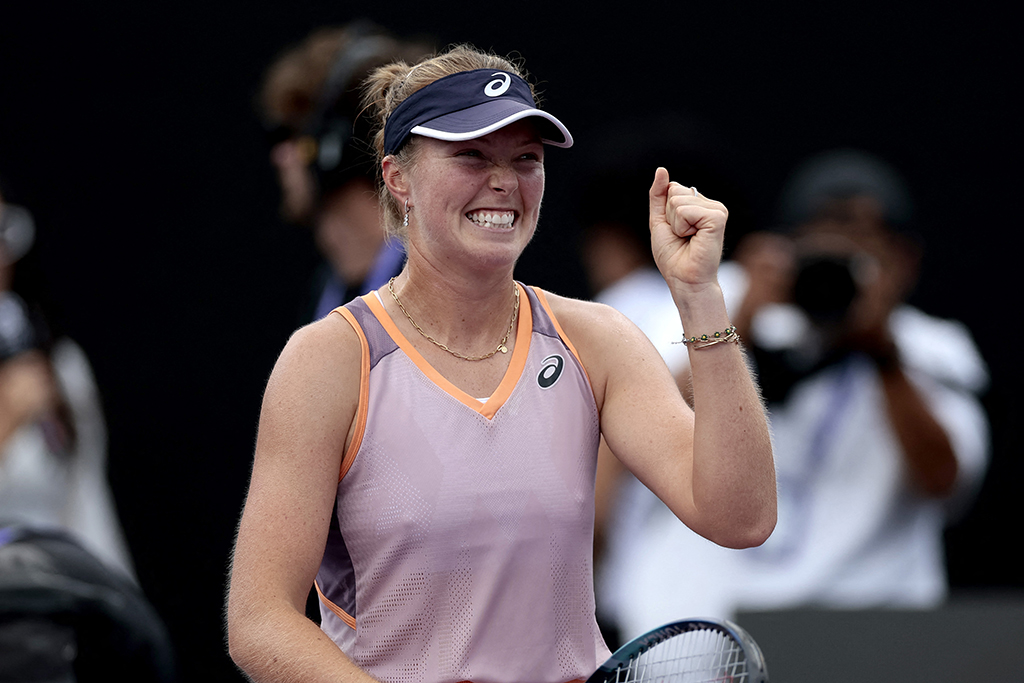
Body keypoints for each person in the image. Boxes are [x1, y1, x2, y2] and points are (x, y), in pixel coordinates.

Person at [226, 44, 776, 683]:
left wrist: (700, 299)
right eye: (470, 155)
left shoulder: (596, 342)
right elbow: (259, 622)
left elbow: (742, 516)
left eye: (526, 160)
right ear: (397, 178)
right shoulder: (327, 360)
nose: (504, 181)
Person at [602, 149, 990, 636]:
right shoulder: (703, 308)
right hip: (699, 630)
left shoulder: (930, 350)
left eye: (857, 254)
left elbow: (945, 480)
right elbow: (644, 429)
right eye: (817, 252)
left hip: (865, 635)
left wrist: (883, 355)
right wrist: (734, 327)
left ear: (902, 263)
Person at [258, 21, 432, 322]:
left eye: (292, 133)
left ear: (333, 143)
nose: (279, 155)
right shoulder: (325, 292)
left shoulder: (439, 289)